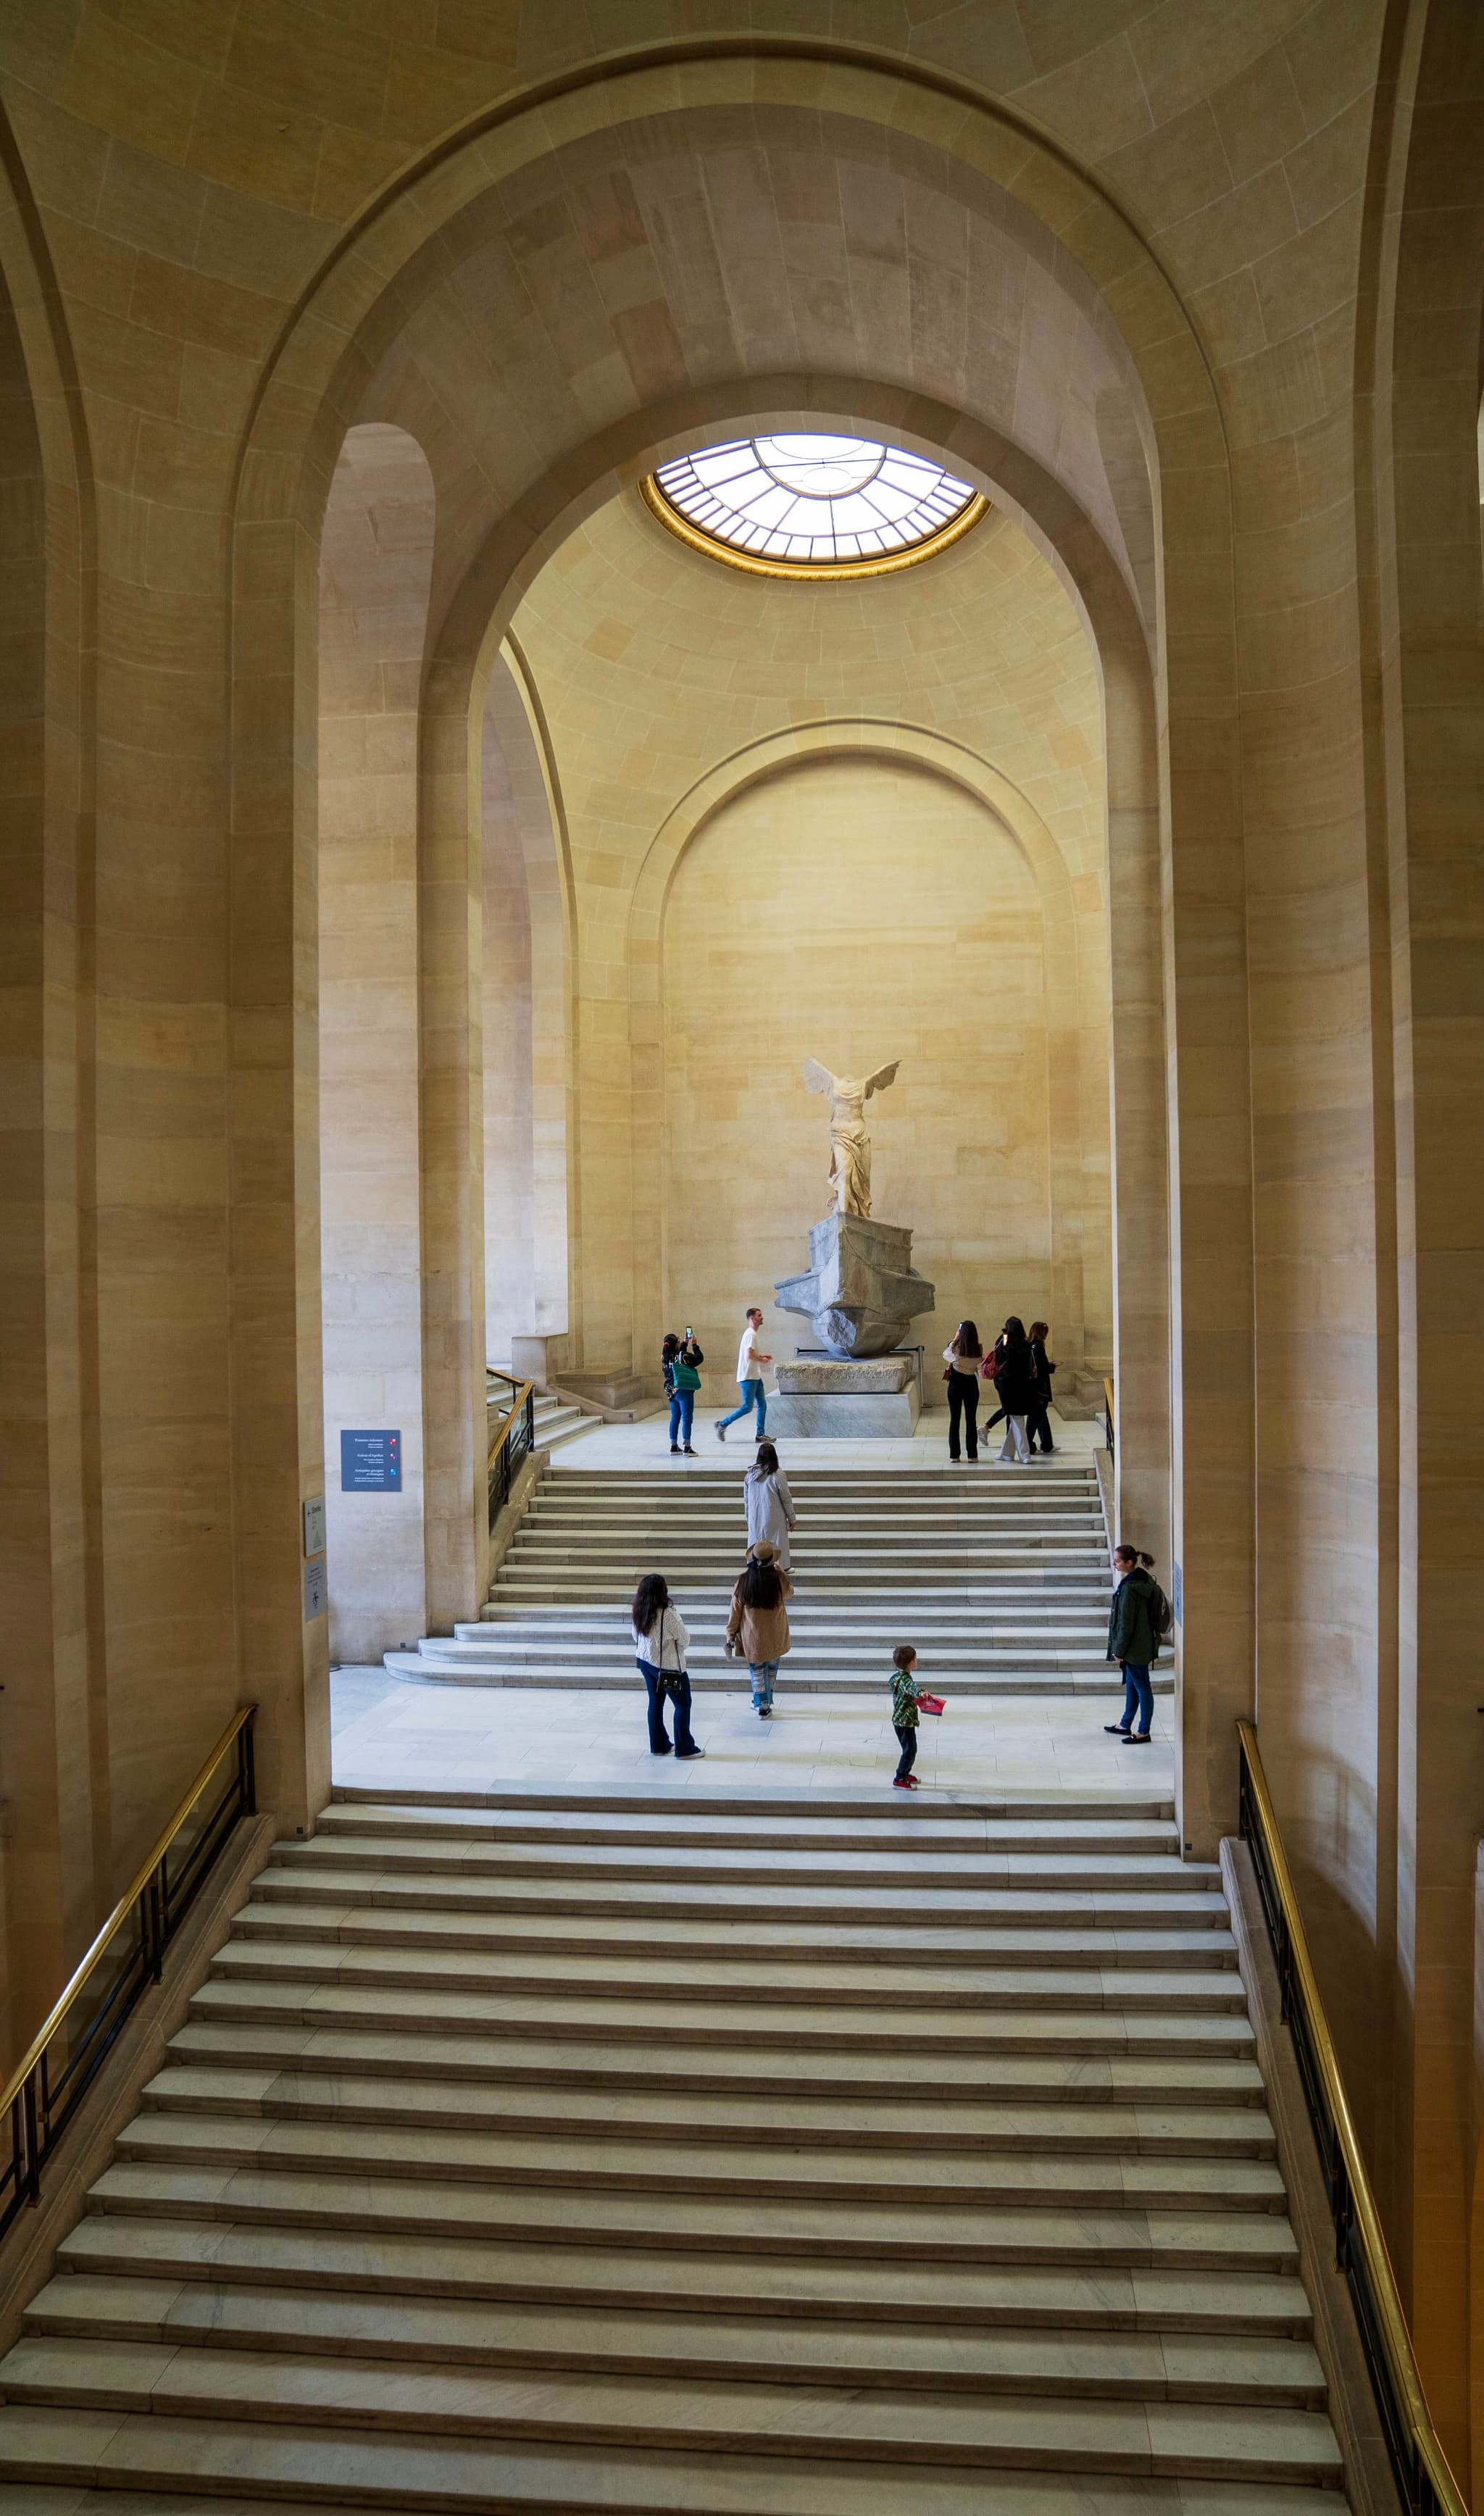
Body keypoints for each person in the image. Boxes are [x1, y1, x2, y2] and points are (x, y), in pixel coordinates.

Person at [631, 1573, 705, 1758]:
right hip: (669, 1667)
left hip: (645, 1663)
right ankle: (685, 1748)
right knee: (683, 1705)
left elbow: (635, 1635)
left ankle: (659, 1745)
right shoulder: (668, 1614)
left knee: (655, 1703)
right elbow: (685, 1640)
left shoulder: (639, 1610)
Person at [725, 1540, 793, 1716]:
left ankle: (762, 1704)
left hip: (753, 1636)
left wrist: (730, 1634)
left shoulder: (743, 1582)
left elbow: (735, 1612)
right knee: (772, 1667)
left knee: (757, 1670)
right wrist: (781, 1572)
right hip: (776, 1634)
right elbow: (790, 1593)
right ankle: (765, 1700)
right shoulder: (778, 1579)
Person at [1104, 1544, 1161, 1744]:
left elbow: (1125, 1623)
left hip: (1134, 1646)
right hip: (1142, 1641)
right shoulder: (1142, 1579)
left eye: (1118, 1561)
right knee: (1133, 1685)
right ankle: (1125, 1723)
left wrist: (1119, 1650)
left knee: (1142, 1686)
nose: (1115, 1564)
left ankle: (1143, 1730)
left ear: (1129, 1563)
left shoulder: (1129, 1588)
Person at [717, 1306, 771, 1441]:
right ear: (752, 1318)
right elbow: (750, 1356)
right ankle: (722, 1424)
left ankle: (760, 1434)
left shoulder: (751, 1333)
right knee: (747, 1407)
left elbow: (751, 1355)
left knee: (762, 1405)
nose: (762, 1317)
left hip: (755, 1376)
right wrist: (762, 1360)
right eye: (759, 1315)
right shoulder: (751, 1333)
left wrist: (762, 1356)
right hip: (748, 1377)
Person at [743, 1438, 796, 1568]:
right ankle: (780, 1568)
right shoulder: (778, 1475)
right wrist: (792, 1518)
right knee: (777, 1544)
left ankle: (757, 1566)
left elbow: (746, 1501)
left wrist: (748, 1518)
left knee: (758, 1545)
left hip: (755, 1517)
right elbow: (786, 1498)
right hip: (774, 1517)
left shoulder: (749, 1476)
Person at [991, 1315, 1033, 1463]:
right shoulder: (1026, 1344)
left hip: (1007, 1383)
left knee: (1016, 1418)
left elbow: (999, 1356)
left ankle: (1024, 1454)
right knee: (1016, 1417)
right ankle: (1007, 1453)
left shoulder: (1005, 1340)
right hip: (1022, 1383)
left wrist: (1004, 1336)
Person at [942, 1320, 983, 1462]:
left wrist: (954, 1340)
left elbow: (945, 1354)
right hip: (971, 1383)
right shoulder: (977, 1348)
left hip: (956, 1383)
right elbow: (978, 1361)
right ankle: (972, 1455)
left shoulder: (955, 1348)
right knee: (971, 1420)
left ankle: (954, 1455)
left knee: (955, 1420)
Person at [889, 1642, 925, 1788]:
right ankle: (899, 1777)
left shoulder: (896, 1677)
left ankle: (905, 1773)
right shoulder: (906, 1680)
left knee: (910, 1748)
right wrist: (921, 1693)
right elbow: (912, 1689)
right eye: (915, 1659)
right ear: (911, 1663)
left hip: (900, 1720)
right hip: (905, 1722)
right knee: (910, 1749)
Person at [666, 1327, 703, 1454]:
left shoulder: (666, 1357)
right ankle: (687, 1447)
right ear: (675, 1345)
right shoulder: (682, 1355)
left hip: (671, 1391)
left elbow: (679, 1356)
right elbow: (698, 1359)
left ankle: (674, 1445)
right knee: (687, 1418)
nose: (680, 1342)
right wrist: (694, 1344)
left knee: (675, 1417)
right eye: (678, 1341)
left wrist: (685, 1343)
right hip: (683, 1390)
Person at [1026, 1321, 1056, 1454]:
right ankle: (1027, 1445)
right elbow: (1042, 1369)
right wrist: (1052, 1366)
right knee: (1035, 1417)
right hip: (1039, 1388)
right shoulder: (1038, 1347)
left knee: (1041, 1416)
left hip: (1032, 1387)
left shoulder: (1029, 1346)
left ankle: (1047, 1444)